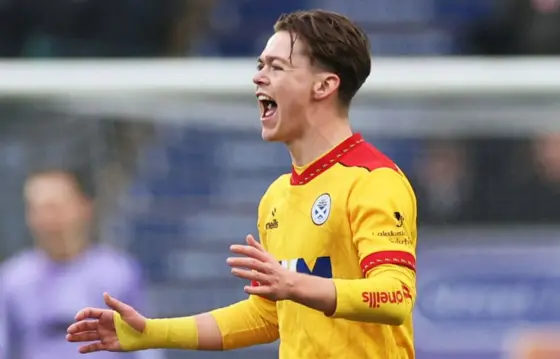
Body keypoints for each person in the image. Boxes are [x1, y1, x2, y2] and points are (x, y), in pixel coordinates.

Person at [67, 10, 418, 359]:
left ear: (324, 85)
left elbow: (396, 296)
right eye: (260, 65)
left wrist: (292, 283)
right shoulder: (277, 197)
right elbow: (265, 316)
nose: (258, 77)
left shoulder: (373, 181)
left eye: (276, 67)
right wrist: (152, 332)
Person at [0, 168, 159, 359]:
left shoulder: (118, 272)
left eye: (55, 208)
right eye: (38, 210)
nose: (48, 220)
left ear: (83, 207)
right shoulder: (13, 279)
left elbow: (146, 346)